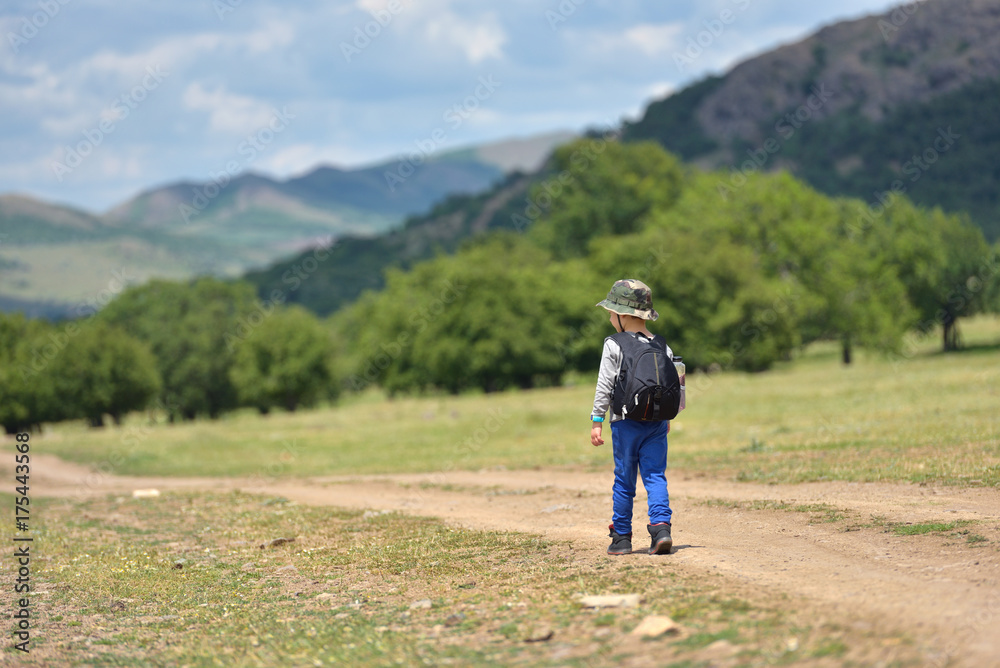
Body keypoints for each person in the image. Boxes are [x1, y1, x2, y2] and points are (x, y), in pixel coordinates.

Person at [590, 279, 674, 556]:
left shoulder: (614, 344)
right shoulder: (663, 346)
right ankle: (661, 528)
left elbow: (605, 384)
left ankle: (622, 537)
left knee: (625, 479)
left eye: (612, 314)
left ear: (623, 315)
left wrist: (597, 420)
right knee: (655, 476)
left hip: (625, 423)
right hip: (657, 422)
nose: (612, 319)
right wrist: (668, 417)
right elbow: (677, 385)